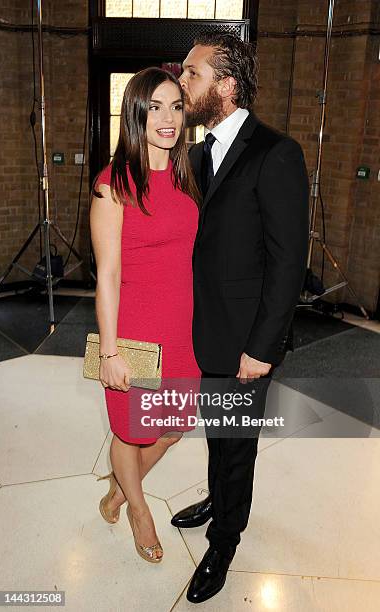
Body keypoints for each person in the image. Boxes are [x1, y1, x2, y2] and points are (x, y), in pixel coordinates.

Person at [171, 31, 309, 602]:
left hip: (248, 339)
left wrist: (263, 346)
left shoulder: (277, 152)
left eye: (192, 73)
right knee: (217, 434)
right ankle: (216, 500)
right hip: (206, 330)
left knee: (237, 443)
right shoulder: (200, 153)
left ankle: (226, 539)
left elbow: (288, 261)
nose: (182, 82)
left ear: (226, 86)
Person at [90, 67, 201, 563]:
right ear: (135, 113)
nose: (168, 117)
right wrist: (110, 351)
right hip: (135, 330)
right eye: (155, 106)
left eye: (176, 106)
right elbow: (107, 275)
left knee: (174, 426)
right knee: (130, 431)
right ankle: (138, 510)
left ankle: (118, 491)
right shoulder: (112, 183)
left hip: (181, 329)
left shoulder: (184, 174)